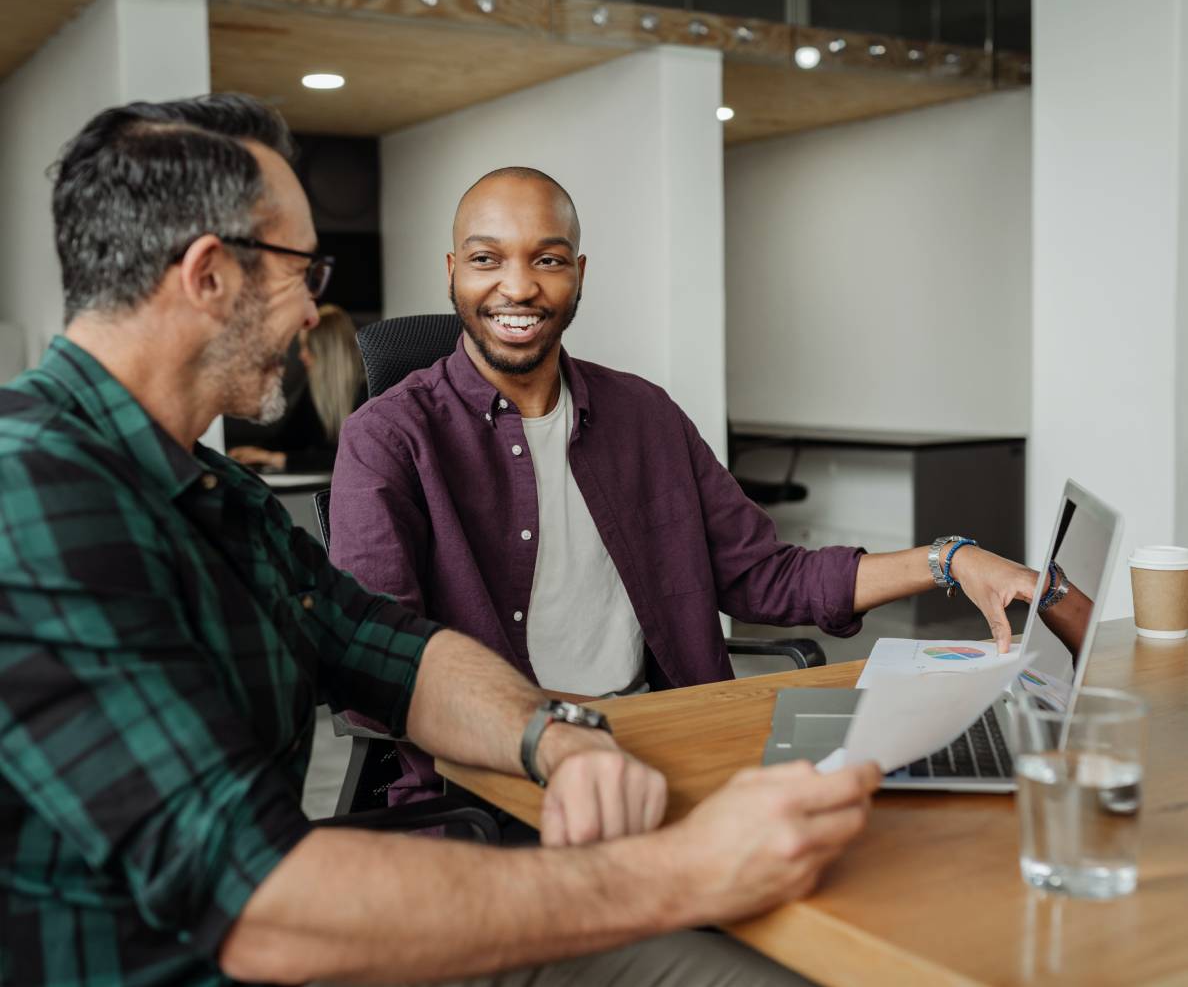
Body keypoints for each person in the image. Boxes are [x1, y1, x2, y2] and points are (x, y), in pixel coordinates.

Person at [0, 94, 880, 987]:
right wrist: (679, 875)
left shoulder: (215, 490)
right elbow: (259, 904)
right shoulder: (30, 499)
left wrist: (558, 736)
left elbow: (386, 647)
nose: (316, 312)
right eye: (306, 270)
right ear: (209, 276)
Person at [329, 166, 1045, 801]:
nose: (518, 287)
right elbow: (374, 666)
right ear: (452, 269)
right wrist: (559, 730)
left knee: (917, 814)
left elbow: (765, 576)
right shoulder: (388, 438)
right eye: (487, 260)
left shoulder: (644, 415)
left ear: (579, 272)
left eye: (546, 260)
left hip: (673, 742)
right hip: (501, 777)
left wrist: (949, 559)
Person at [228, 302, 365, 472]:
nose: (301, 355)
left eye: (307, 347)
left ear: (326, 351)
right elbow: (289, 439)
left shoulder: (367, 395)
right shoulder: (314, 391)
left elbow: (349, 458)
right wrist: (255, 452)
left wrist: (274, 459)